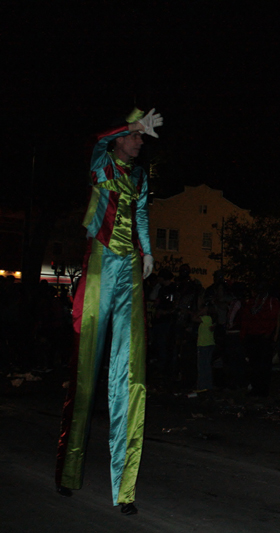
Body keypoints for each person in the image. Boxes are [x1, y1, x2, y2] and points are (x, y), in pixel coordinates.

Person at [56, 108, 163, 515]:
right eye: (135, 137)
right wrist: (131, 124)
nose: (139, 143)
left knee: (130, 371)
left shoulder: (138, 175)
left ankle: (125, 490)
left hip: (130, 267)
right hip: (100, 263)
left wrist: (148, 251)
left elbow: (139, 213)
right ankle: (69, 474)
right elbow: (97, 139)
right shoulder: (102, 162)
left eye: (140, 138)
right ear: (121, 138)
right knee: (87, 367)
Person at [241, 283, 280, 397]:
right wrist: (244, 336)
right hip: (253, 337)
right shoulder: (253, 302)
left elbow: (274, 319)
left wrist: (268, 334)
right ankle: (255, 388)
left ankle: (263, 390)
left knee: (264, 366)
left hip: (264, 338)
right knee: (254, 365)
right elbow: (246, 319)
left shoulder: (271, 302)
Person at [195, 298, 216, 391]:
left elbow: (194, 318)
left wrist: (200, 312)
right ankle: (207, 385)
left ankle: (203, 385)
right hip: (208, 344)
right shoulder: (211, 319)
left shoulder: (207, 318)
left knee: (203, 366)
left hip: (204, 344)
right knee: (206, 365)